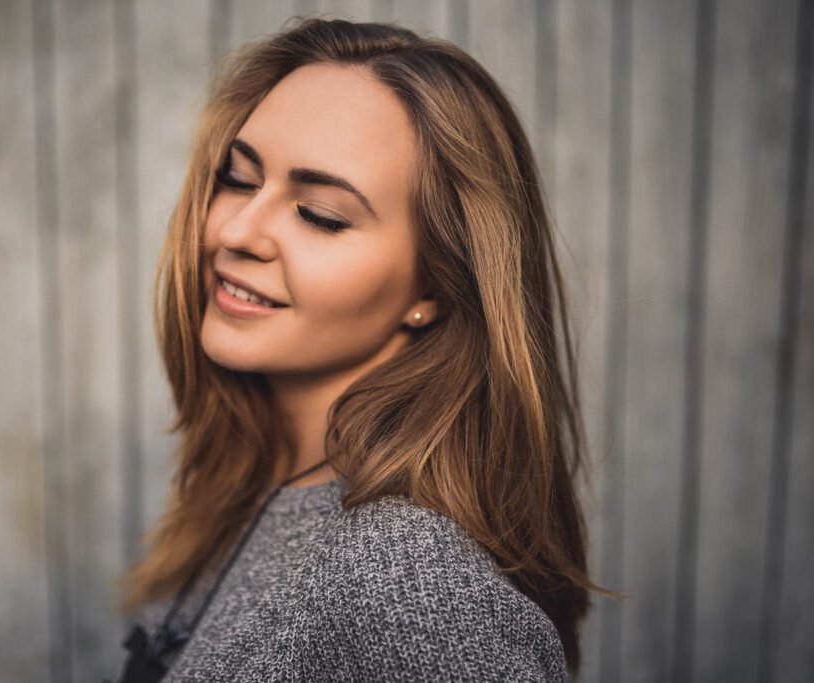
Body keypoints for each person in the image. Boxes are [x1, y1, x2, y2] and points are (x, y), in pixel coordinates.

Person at [109, 16, 614, 683]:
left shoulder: (402, 564)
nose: (237, 229)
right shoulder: (252, 490)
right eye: (238, 178)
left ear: (435, 284)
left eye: (320, 213)